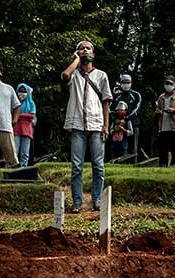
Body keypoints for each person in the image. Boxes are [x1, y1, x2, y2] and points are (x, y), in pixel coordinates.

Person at [62, 40, 112, 212]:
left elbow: (106, 102)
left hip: (97, 124)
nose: (85, 50)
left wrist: (106, 125)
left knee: (98, 165)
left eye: (88, 48)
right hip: (77, 126)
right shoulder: (74, 74)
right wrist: (76, 60)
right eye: (81, 48)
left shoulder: (101, 75)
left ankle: (97, 199)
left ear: (93, 53)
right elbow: (65, 76)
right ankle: (77, 201)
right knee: (77, 166)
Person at [155, 76, 175, 166]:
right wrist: (158, 112)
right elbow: (157, 108)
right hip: (163, 127)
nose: (168, 85)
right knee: (162, 150)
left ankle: (174, 165)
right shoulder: (161, 97)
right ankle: (163, 166)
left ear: (174, 85)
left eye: (170, 84)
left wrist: (174, 110)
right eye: (166, 83)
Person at [111, 74, 142, 155]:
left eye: (127, 82)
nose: (125, 84)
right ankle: (117, 161)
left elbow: (137, 110)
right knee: (118, 144)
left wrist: (126, 118)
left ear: (131, 83)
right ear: (120, 83)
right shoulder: (117, 96)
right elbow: (111, 109)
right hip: (119, 125)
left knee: (133, 146)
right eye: (123, 82)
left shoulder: (136, 95)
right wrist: (115, 120)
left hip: (133, 123)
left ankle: (133, 162)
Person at [14, 83, 37, 168]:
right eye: (20, 91)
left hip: (27, 130)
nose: (22, 93)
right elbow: (11, 114)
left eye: (24, 91)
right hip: (16, 129)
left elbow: (32, 116)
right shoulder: (14, 102)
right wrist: (25, 116)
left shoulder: (31, 103)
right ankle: (14, 167)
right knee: (14, 150)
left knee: (25, 152)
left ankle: (23, 167)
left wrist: (18, 116)